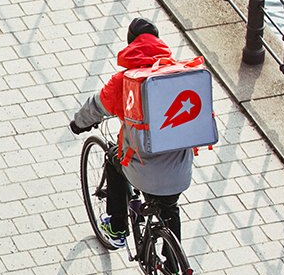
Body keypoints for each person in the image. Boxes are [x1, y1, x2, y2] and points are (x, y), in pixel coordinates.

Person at [69, 17, 192, 249]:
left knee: (114, 159)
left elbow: (97, 107)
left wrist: (78, 124)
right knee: (169, 208)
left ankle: (117, 228)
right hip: (180, 171)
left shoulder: (124, 81)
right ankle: (175, 269)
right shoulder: (179, 77)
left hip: (142, 170)